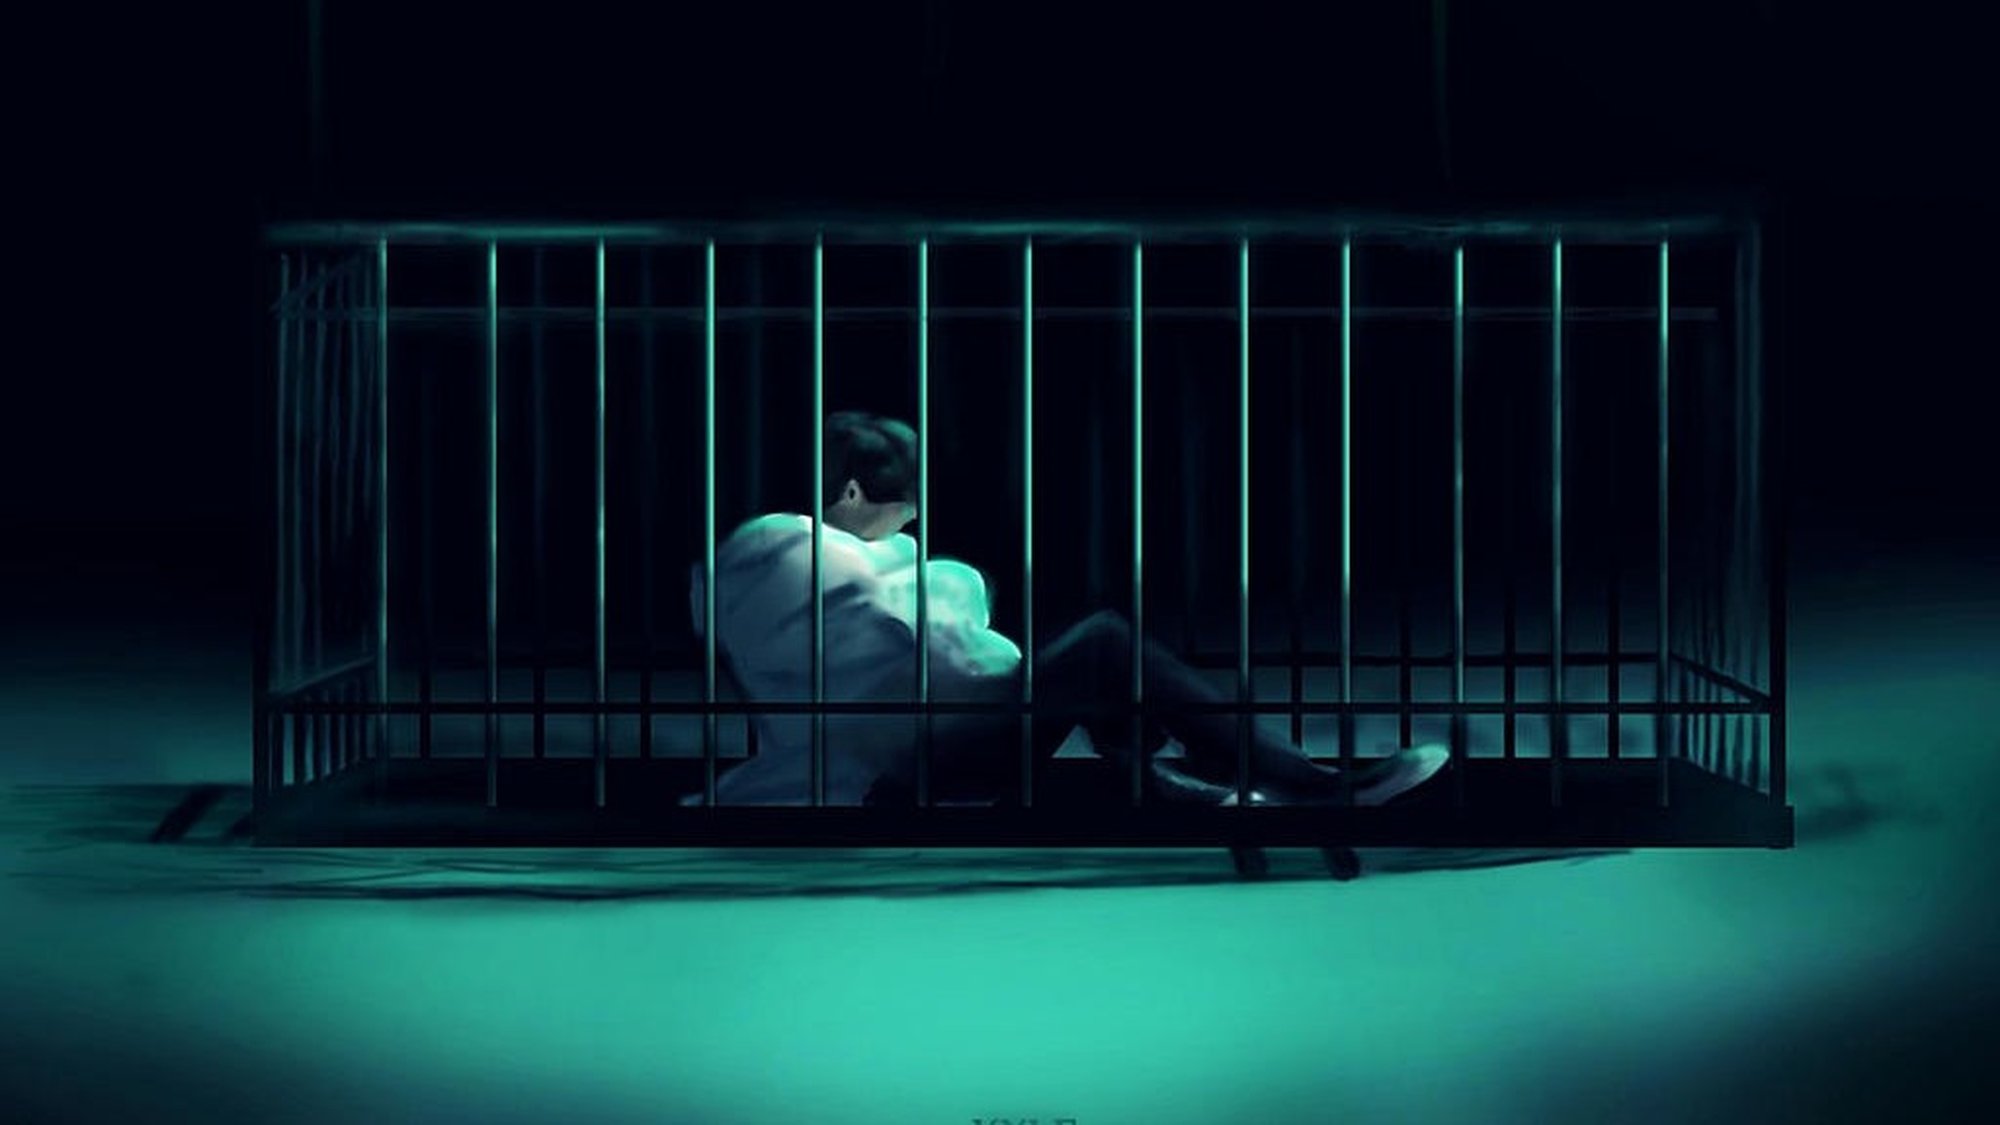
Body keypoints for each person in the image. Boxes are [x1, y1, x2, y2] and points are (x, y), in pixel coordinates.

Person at [683, 411, 1449, 808]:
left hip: (920, 742)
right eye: (899, 514)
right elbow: (923, 641)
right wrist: (943, 592)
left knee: (1094, 675)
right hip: (919, 749)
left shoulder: (780, 563)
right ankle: (1302, 783)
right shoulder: (791, 549)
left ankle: (1185, 785)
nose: (904, 530)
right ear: (852, 492)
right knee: (1103, 644)